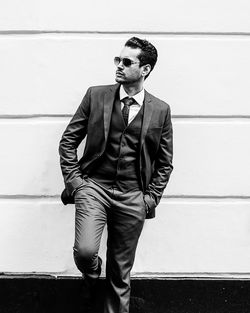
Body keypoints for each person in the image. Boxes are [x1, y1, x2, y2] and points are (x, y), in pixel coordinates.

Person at [59, 37, 173, 313]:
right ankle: (92, 274)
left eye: (127, 62)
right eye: (117, 60)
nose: (119, 66)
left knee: (120, 273)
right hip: (94, 187)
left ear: (144, 69)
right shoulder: (96, 95)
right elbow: (68, 142)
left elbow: (165, 162)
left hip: (133, 195)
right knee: (86, 252)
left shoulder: (160, 110)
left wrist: (150, 199)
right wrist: (76, 183)